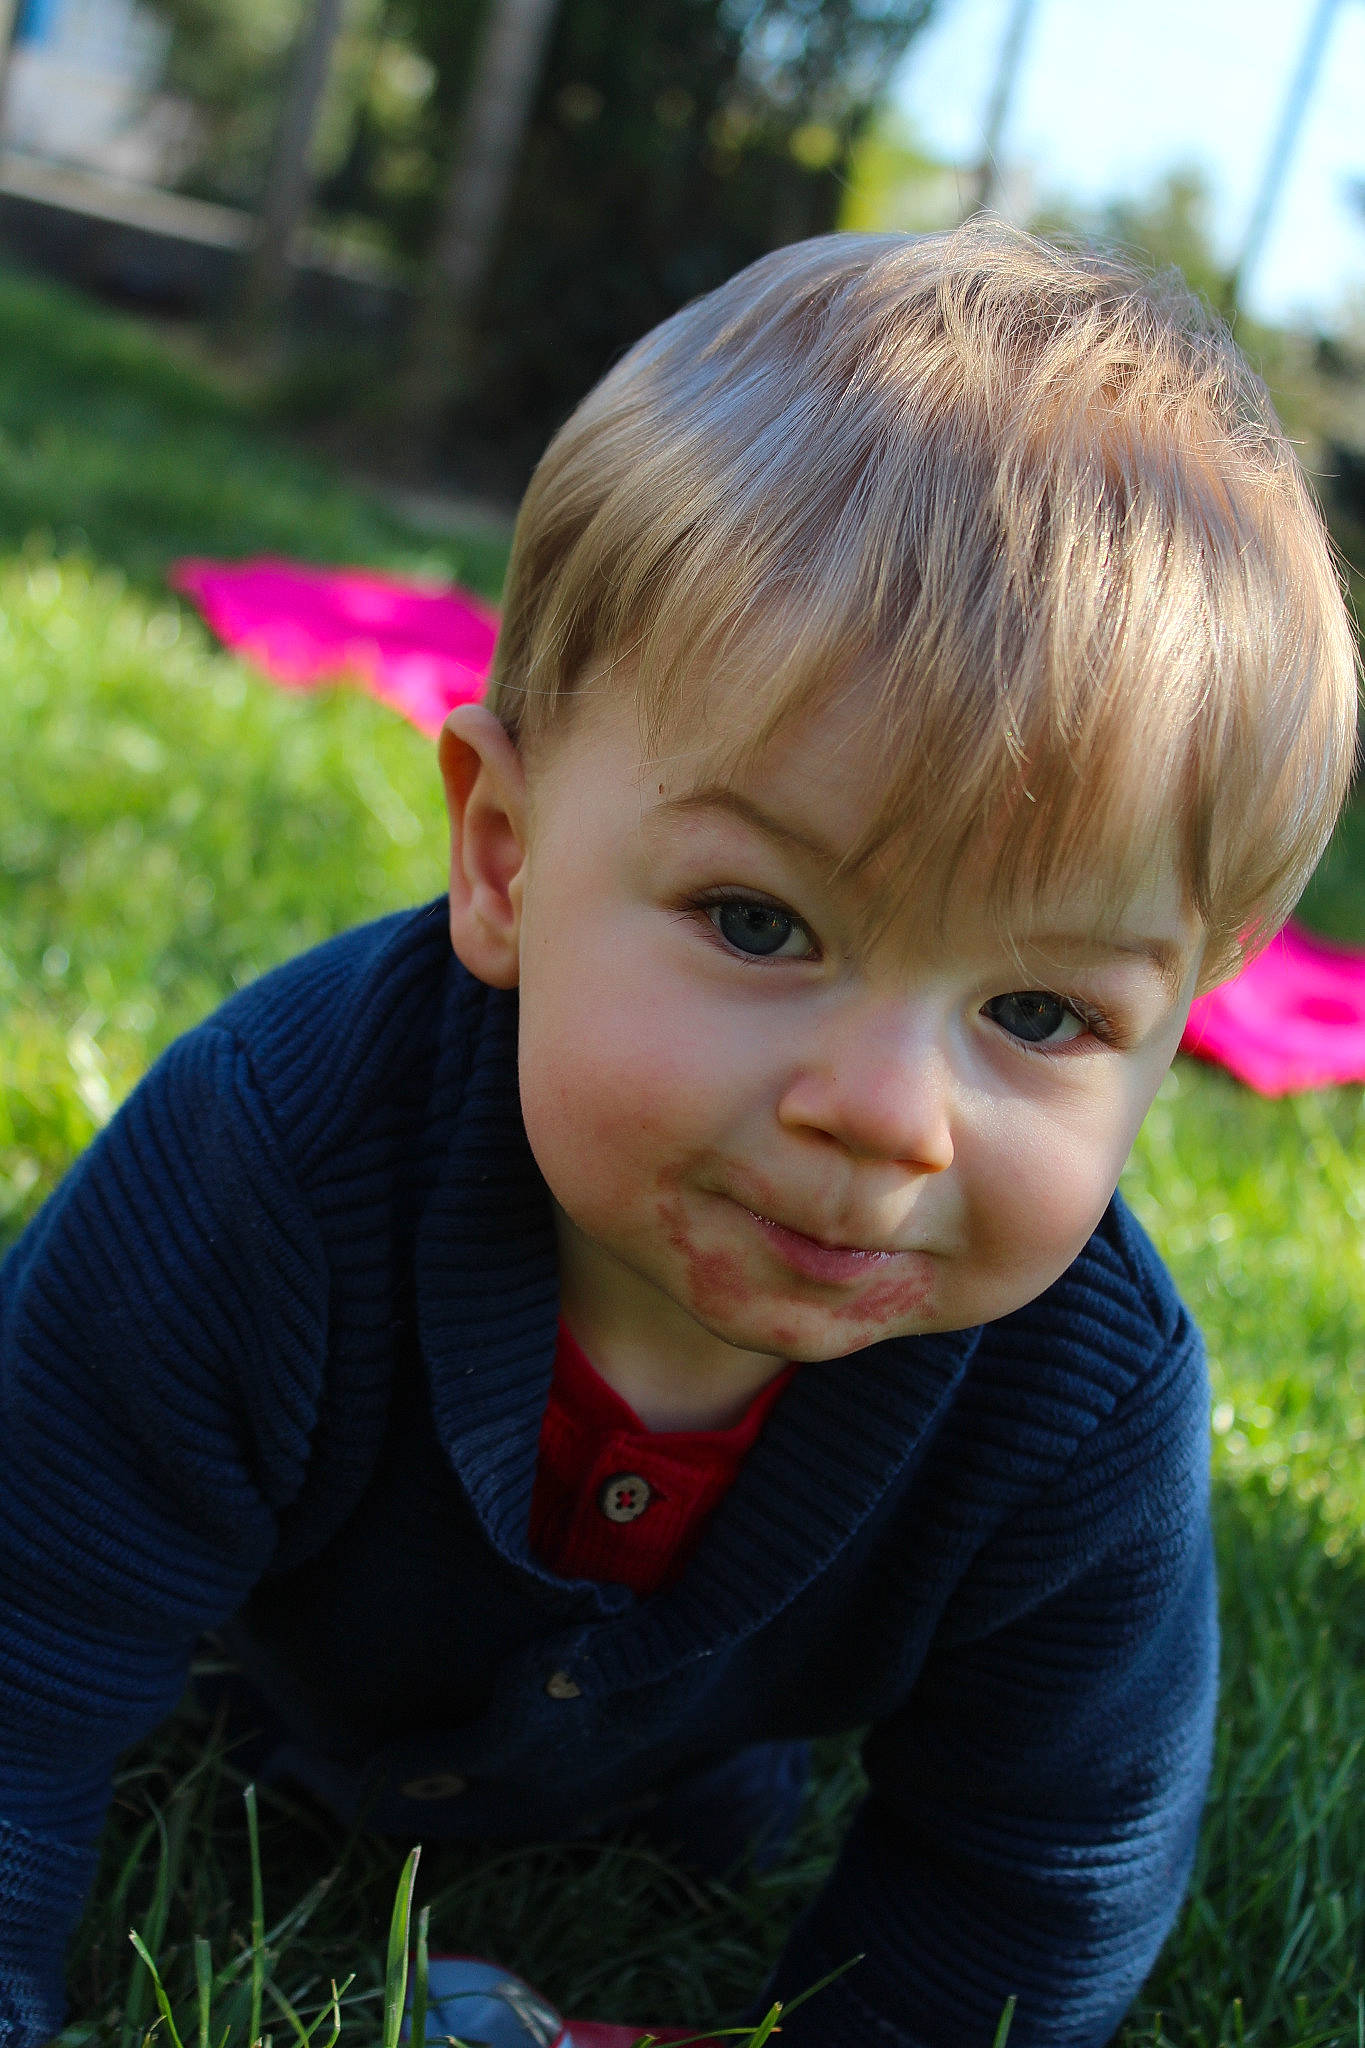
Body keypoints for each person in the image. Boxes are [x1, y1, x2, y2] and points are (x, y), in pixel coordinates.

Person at [0, 222, 1356, 2048]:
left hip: (671, 1796)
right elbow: (24, 1619)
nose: (883, 1114)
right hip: (229, 1682)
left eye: (1037, 1015)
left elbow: (1036, 1865)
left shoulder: (1076, 1405)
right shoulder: (271, 1166)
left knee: (709, 1807)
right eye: (755, 921)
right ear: (502, 855)